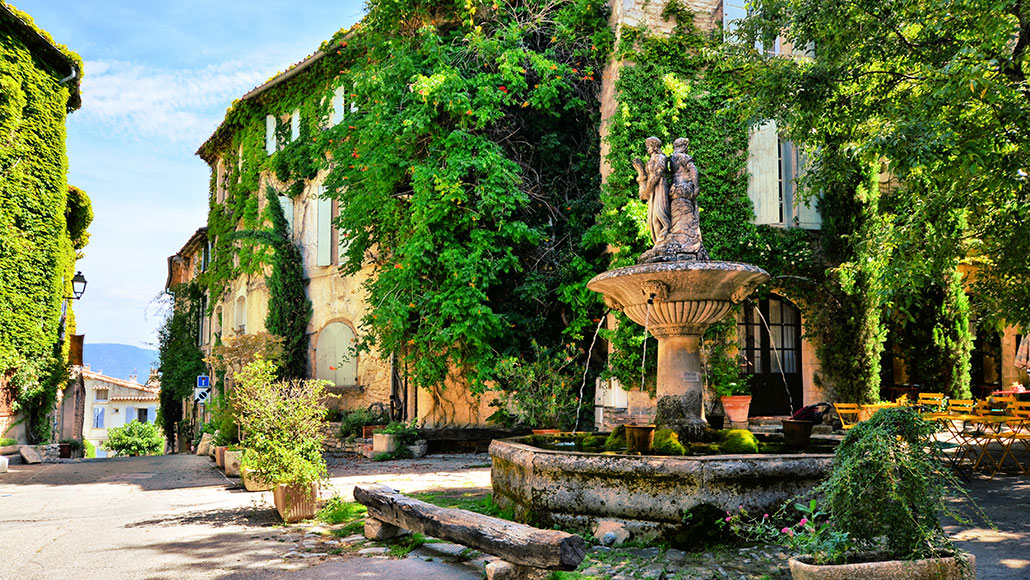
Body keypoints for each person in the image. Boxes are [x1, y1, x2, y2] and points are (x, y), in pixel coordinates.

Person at [632, 136, 670, 244]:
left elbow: (658, 174)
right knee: (652, 219)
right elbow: (647, 177)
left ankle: (663, 241)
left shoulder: (661, 157)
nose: (647, 148)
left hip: (660, 187)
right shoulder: (649, 161)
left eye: (649, 146)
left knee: (659, 215)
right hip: (652, 191)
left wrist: (647, 189)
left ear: (654, 146)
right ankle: (658, 242)